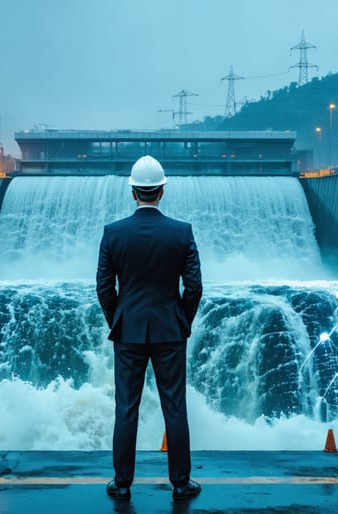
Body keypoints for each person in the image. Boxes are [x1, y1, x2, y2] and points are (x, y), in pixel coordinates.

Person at [97, 155, 203, 502]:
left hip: (128, 331)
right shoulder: (181, 232)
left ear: (133, 192)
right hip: (170, 330)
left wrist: (119, 317)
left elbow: (103, 287)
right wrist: (181, 319)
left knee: (126, 407)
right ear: (161, 192)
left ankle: (123, 483)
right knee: (175, 407)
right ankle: (180, 483)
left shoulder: (113, 233)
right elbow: (194, 286)